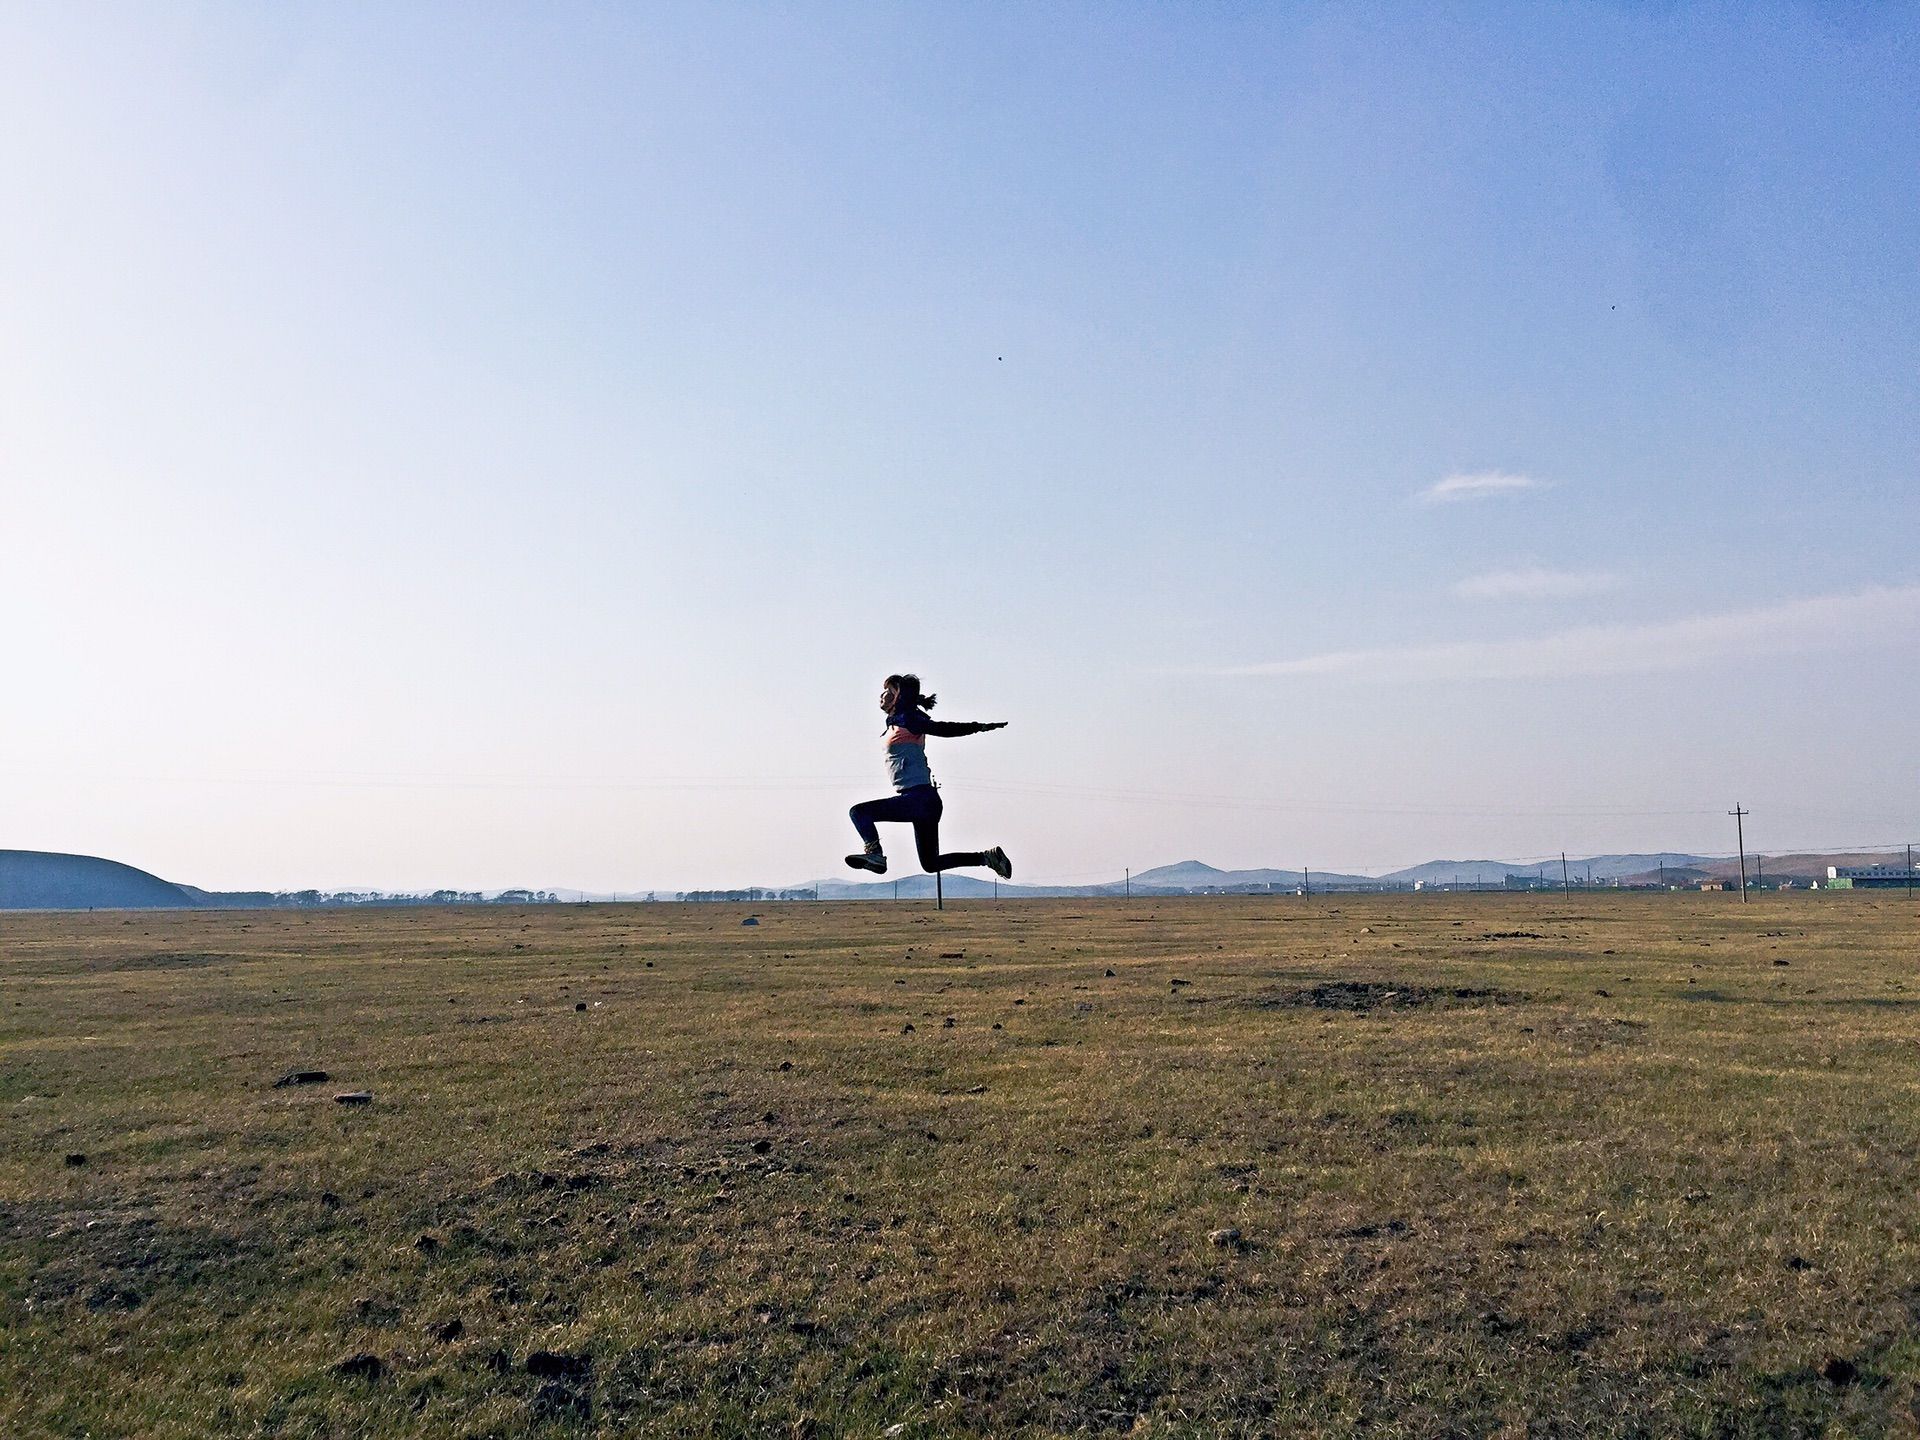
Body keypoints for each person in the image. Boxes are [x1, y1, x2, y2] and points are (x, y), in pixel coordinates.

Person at [846, 674, 1012, 879]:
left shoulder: (910, 719)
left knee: (859, 813)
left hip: (919, 799)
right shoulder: (897, 722)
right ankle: (987, 858)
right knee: (931, 864)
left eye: (888, 691)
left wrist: (977, 727)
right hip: (924, 802)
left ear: (898, 697)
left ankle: (874, 854)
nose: (882, 695)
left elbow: (942, 728)